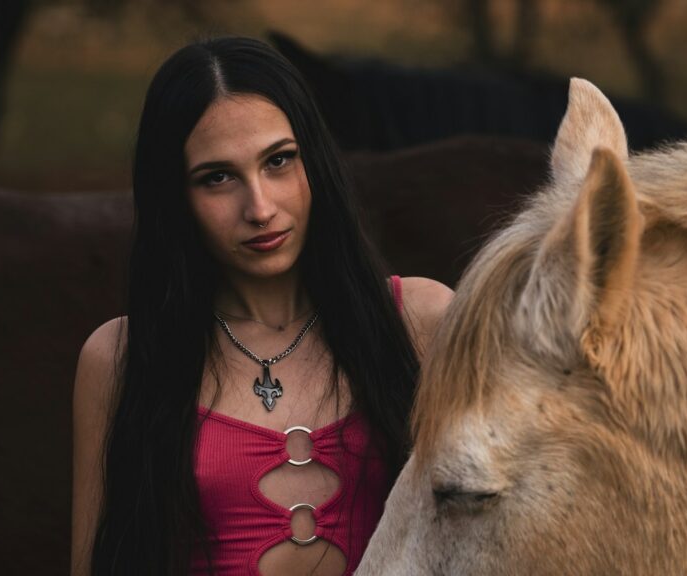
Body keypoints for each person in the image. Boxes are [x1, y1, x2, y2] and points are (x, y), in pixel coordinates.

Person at [71, 37, 453, 576]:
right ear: (174, 196)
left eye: (278, 161)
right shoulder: (120, 359)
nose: (260, 208)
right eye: (218, 178)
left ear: (313, 162)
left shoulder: (422, 320)